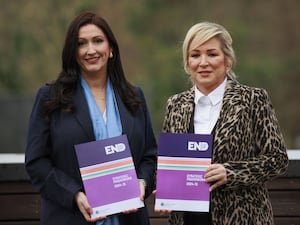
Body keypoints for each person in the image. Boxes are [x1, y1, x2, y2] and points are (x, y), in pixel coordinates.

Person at [25, 11, 157, 225]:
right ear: (73, 52)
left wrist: (142, 182)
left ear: (111, 48)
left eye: (98, 41)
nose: (90, 50)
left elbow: (149, 156)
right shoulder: (50, 98)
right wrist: (74, 195)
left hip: (130, 219)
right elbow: (36, 162)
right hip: (71, 218)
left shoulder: (134, 97)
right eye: (81, 43)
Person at [160, 21, 289, 225]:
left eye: (212, 54)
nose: (203, 62)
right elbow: (170, 163)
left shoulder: (253, 99)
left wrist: (231, 172)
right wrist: (166, 189)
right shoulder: (175, 104)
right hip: (188, 220)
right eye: (195, 55)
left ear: (227, 60)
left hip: (242, 218)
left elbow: (277, 159)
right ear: (187, 63)